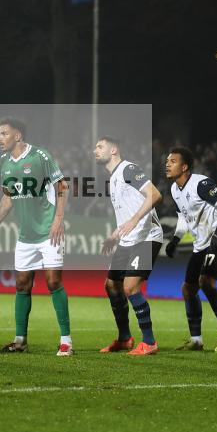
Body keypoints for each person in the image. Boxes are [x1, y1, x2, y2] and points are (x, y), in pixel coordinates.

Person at [0, 117, 72, 356]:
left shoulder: (40, 156)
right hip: (26, 236)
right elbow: (7, 198)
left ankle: (66, 342)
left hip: (49, 231)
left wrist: (58, 221)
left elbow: (62, 187)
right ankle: (20, 341)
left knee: (53, 282)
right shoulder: (5, 162)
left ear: (18, 136)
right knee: (21, 285)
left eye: (4, 133)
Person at [164, 146, 217, 353]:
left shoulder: (200, 183)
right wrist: (176, 239)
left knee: (205, 282)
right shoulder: (174, 189)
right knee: (188, 288)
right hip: (202, 245)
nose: (168, 164)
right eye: (167, 161)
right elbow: (183, 218)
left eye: (173, 161)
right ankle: (196, 340)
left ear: (185, 166)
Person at [93, 136, 163, 356]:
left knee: (130, 287)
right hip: (128, 238)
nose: (95, 150)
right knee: (111, 285)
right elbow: (127, 212)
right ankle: (124, 338)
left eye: (100, 146)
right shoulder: (113, 178)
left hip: (147, 235)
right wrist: (115, 234)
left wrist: (134, 221)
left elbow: (155, 194)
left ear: (114, 149)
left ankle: (150, 342)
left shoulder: (128, 169)